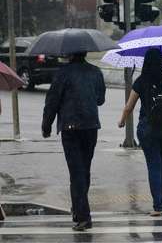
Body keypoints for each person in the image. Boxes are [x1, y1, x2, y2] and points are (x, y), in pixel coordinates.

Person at [42, 52, 105, 231]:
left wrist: (46, 125)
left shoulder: (63, 73)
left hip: (70, 128)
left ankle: (83, 216)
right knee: (84, 170)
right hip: (91, 126)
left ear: (70, 54)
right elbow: (100, 100)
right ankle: (78, 209)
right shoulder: (96, 72)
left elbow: (52, 101)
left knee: (76, 172)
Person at [118, 48, 162, 216]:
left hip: (149, 129)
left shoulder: (141, 81)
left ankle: (158, 206)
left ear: (145, 61)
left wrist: (122, 121)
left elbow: (129, 106)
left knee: (154, 165)